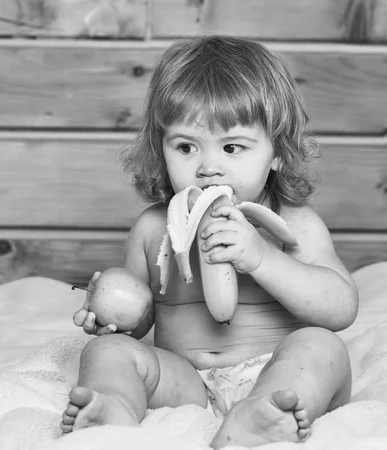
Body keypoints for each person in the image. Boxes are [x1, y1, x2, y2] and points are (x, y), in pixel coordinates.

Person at [60, 35, 359, 448]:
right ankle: (113, 407)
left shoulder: (294, 225)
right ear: (160, 148)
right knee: (107, 353)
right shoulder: (152, 228)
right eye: (186, 146)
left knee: (321, 347)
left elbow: (341, 308)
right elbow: (141, 318)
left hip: (273, 368)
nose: (208, 168)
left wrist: (261, 258)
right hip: (185, 382)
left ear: (276, 152)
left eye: (232, 147)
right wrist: (114, 318)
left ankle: (262, 413)